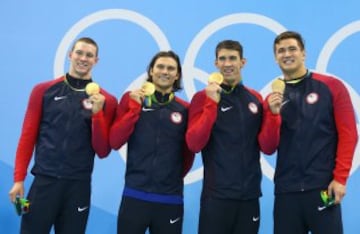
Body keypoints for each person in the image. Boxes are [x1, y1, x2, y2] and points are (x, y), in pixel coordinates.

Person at [8, 37, 117, 234]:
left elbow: (102, 151)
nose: (83, 58)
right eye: (79, 53)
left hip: (78, 187)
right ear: (70, 55)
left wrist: (98, 114)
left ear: (96, 61)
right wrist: (18, 179)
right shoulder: (43, 90)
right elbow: (27, 136)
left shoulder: (107, 100)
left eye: (89, 55)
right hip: (43, 183)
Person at [265, 31, 358, 234]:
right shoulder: (273, 98)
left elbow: (349, 134)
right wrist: (273, 115)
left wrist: (340, 178)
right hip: (286, 192)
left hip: (323, 188)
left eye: (292, 49)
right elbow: (268, 147)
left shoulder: (332, 86)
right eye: (281, 51)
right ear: (275, 57)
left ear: (304, 53)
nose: (286, 54)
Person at [186, 40, 279, 234]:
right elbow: (194, 144)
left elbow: (268, 147)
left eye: (232, 58)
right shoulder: (202, 98)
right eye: (222, 59)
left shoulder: (255, 99)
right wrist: (211, 104)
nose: (227, 64)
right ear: (215, 64)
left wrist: (273, 114)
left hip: (250, 197)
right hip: (217, 196)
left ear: (242, 62)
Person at [109, 50, 195, 234]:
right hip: (134, 195)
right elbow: (115, 141)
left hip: (170, 199)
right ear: (151, 71)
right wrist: (134, 110)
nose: (165, 71)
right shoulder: (131, 100)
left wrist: (170, 177)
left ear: (177, 75)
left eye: (171, 68)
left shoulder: (185, 109)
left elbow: (189, 155)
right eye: (160, 67)